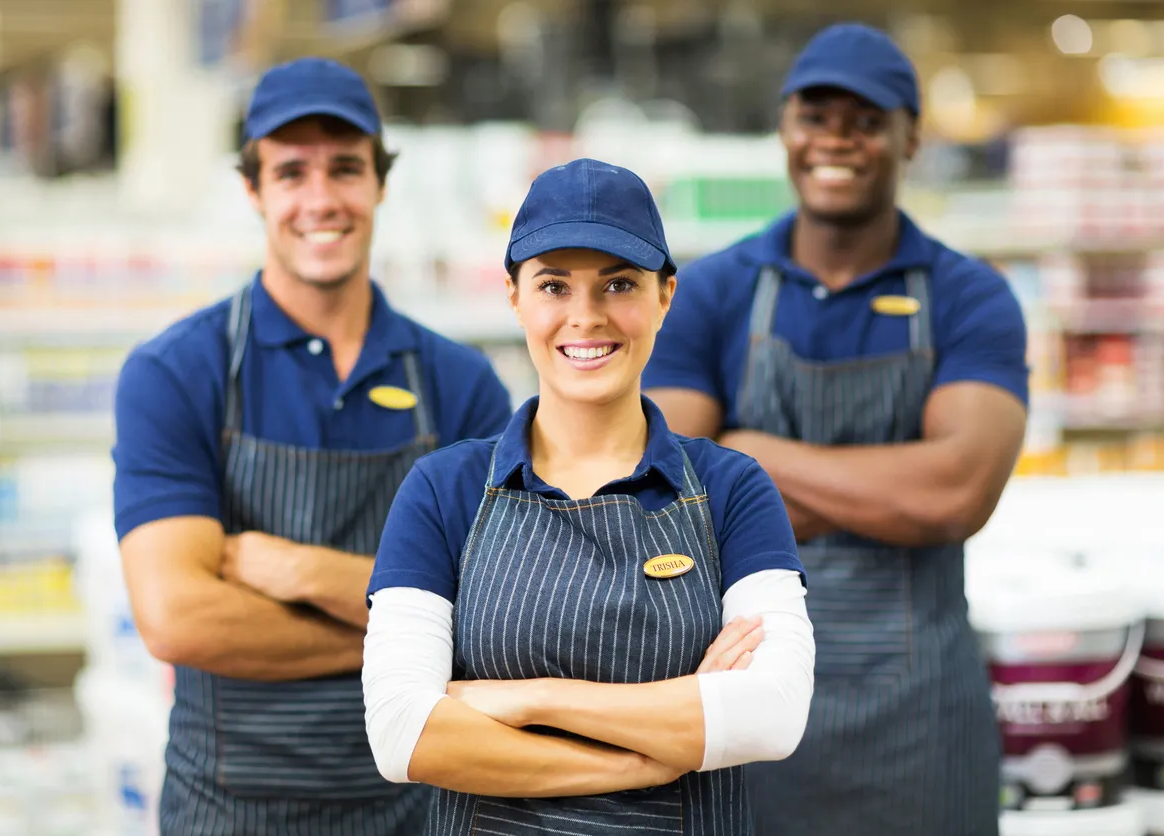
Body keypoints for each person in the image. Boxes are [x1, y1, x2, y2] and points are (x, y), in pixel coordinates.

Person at [643, 22, 1029, 836]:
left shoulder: (969, 297)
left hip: (919, 723)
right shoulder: (711, 290)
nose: (837, 140)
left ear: (909, 136)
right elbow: (666, 490)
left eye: (866, 120)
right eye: (816, 117)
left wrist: (748, 455)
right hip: (746, 711)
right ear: (785, 128)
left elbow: (956, 493)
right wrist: (887, 491)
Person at [112, 58, 512, 836]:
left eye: (346, 169)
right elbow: (178, 619)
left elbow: (499, 613)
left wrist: (301, 571)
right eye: (291, 172)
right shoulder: (177, 373)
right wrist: (411, 627)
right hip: (228, 809)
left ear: (381, 183)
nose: (321, 199)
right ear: (253, 190)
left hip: (423, 804)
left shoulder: (459, 385)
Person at [360, 158, 816, 836]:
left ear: (666, 296)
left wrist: (525, 699)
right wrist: (657, 751)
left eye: (619, 284)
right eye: (553, 286)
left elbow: (773, 713)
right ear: (514, 297)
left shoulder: (731, 488)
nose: (586, 317)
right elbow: (403, 734)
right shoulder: (444, 490)